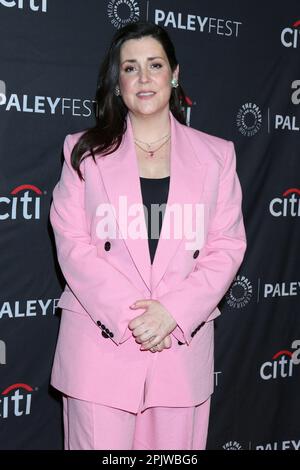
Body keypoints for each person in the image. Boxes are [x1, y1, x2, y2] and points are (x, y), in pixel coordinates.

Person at [49, 21, 247, 450]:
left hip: (178, 348)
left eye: (154, 65)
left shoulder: (217, 156)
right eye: (130, 67)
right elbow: (72, 242)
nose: (143, 78)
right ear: (117, 82)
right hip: (100, 348)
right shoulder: (82, 151)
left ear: (174, 74)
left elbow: (226, 245)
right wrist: (130, 316)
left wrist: (171, 313)